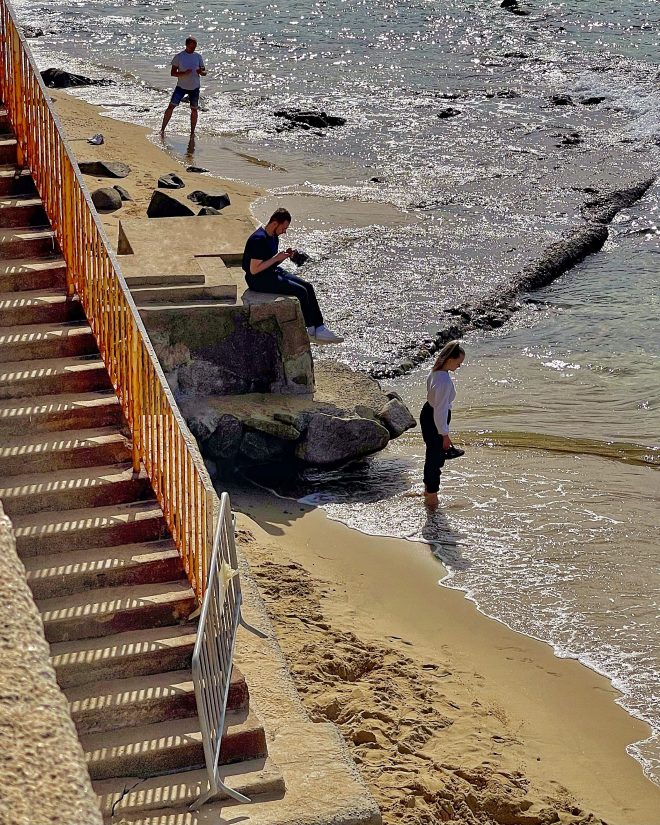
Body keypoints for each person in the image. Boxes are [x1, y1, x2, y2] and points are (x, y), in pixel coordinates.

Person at [242, 208, 344, 344]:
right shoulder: (258, 239)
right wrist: (275, 259)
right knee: (300, 291)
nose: (284, 231)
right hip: (257, 280)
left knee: (308, 286)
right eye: (284, 228)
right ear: (275, 223)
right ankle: (310, 330)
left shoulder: (273, 236)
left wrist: (283, 257)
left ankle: (320, 327)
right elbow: (254, 270)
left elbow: (268, 261)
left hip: (271, 272)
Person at [420, 340, 465, 509]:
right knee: (436, 458)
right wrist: (445, 435)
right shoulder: (444, 381)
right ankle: (432, 498)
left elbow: (437, 408)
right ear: (450, 359)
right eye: (459, 362)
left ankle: (427, 491)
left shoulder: (435, 372)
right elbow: (440, 411)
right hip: (435, 418)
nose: (459, 366)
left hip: (427, 413)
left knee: (432, 455)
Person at [161, 37, 206, 135]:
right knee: (171, 106)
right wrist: (183, 73)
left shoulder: (198, 56)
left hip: (195, 87)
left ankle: (192, 132)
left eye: (195, 46)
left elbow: (204, 72)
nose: (193, 48)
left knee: (194, 109)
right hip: (181, 87)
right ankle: (162, 129)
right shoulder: (179, 56)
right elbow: (173, 73)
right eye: (191, 46)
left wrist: (201, 72)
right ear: (187, 45)